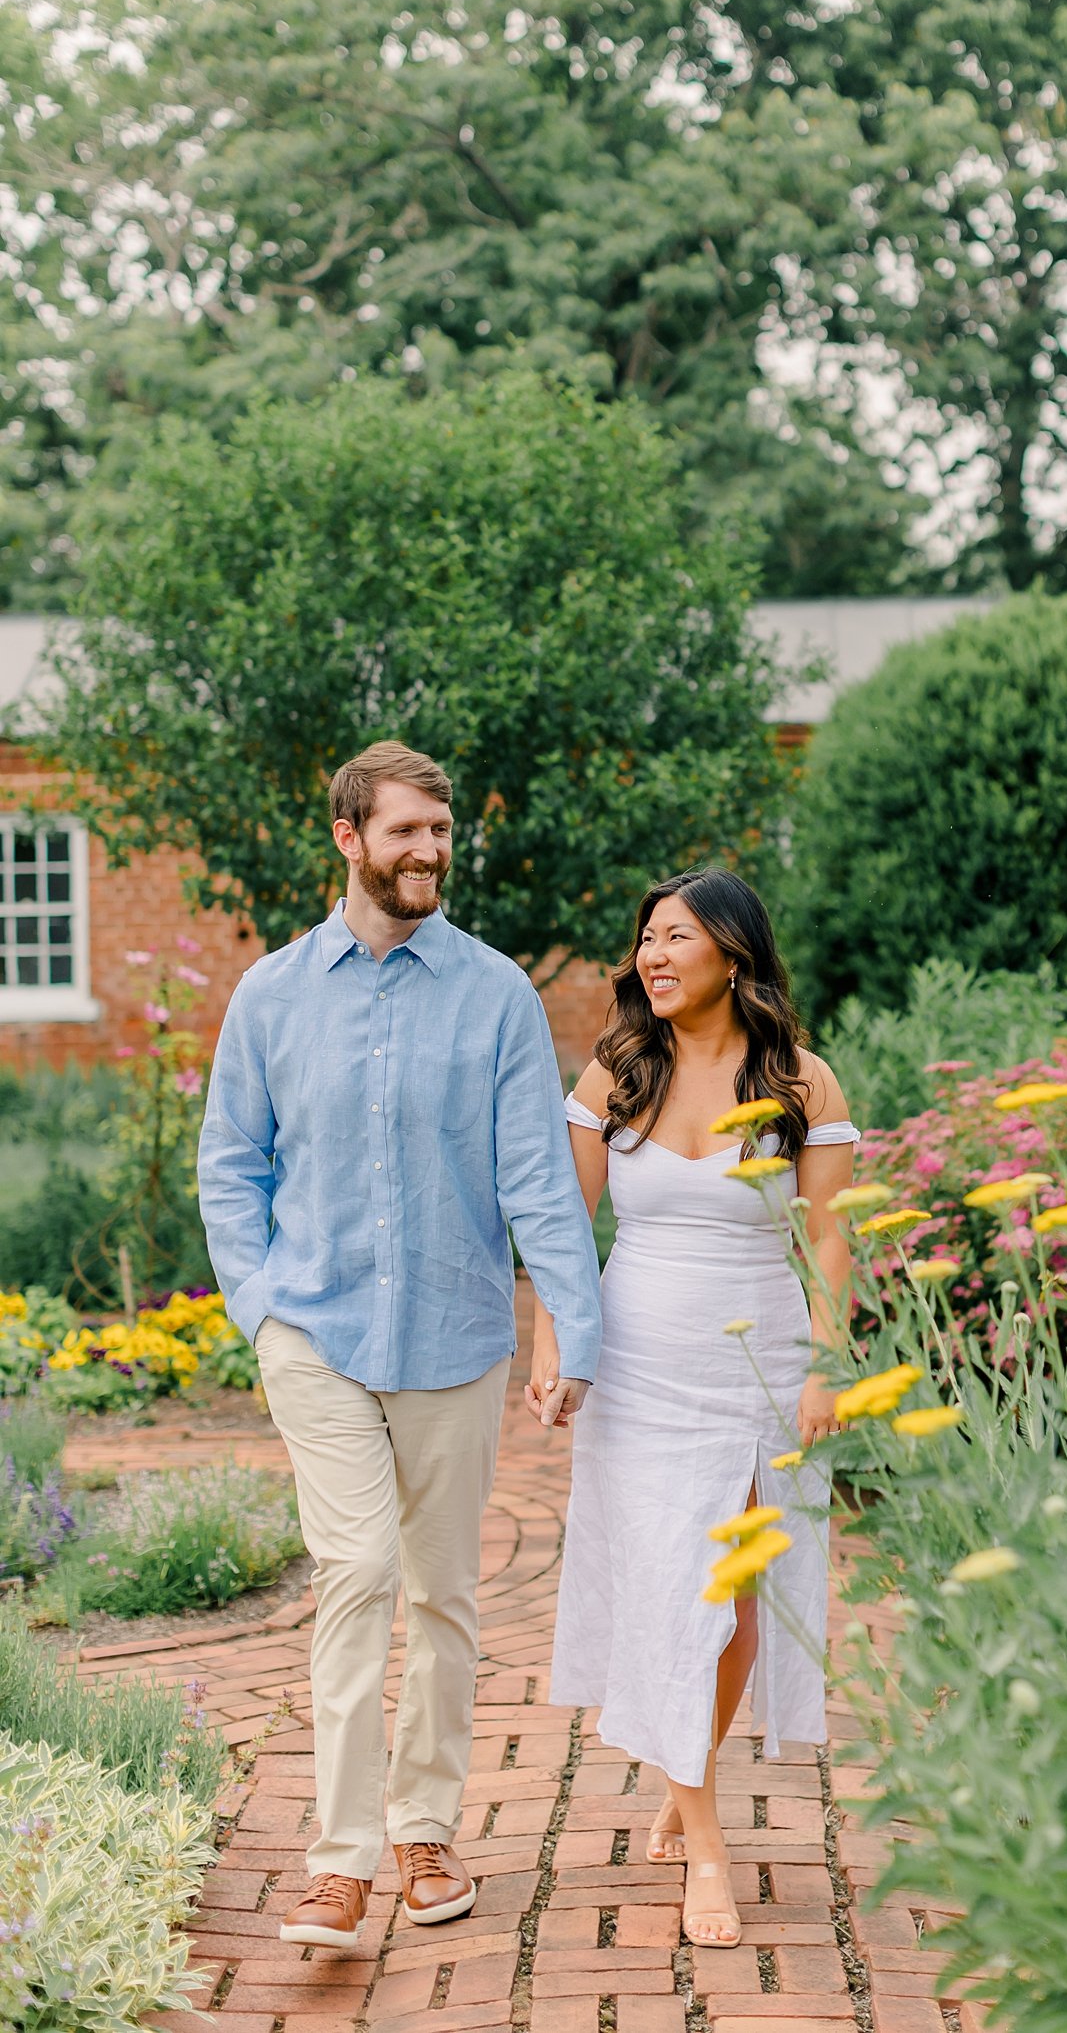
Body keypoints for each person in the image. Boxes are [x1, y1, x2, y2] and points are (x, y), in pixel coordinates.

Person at [198, 740, 601, 1950]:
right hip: (314, 1332)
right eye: (406, 831)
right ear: (348, 839)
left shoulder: (495, 997)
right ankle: (339, 1862)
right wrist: (259, 1307)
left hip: (456, 1334)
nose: (429, 851)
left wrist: (564, 1322)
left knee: (443, 1595)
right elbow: (231, 1167)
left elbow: (536, 1176)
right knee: (357, 1571)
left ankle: (426, 1830)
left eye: (440, 832)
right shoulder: (272, 995)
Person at [541, 866, 856, 1950]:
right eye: (646, 939)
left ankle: (688, 1777)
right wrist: (554, 1344)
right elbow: (559, 1226)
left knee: (738, 1609)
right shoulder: (618, 1068)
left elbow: (828, 1241)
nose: (654, 957)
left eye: (676, 937)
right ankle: (708, 1853)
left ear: (733, 951)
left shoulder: (802, 1079)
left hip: (761, 1366)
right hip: (639, 1371)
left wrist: (826, 1368)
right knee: (678, 1597)